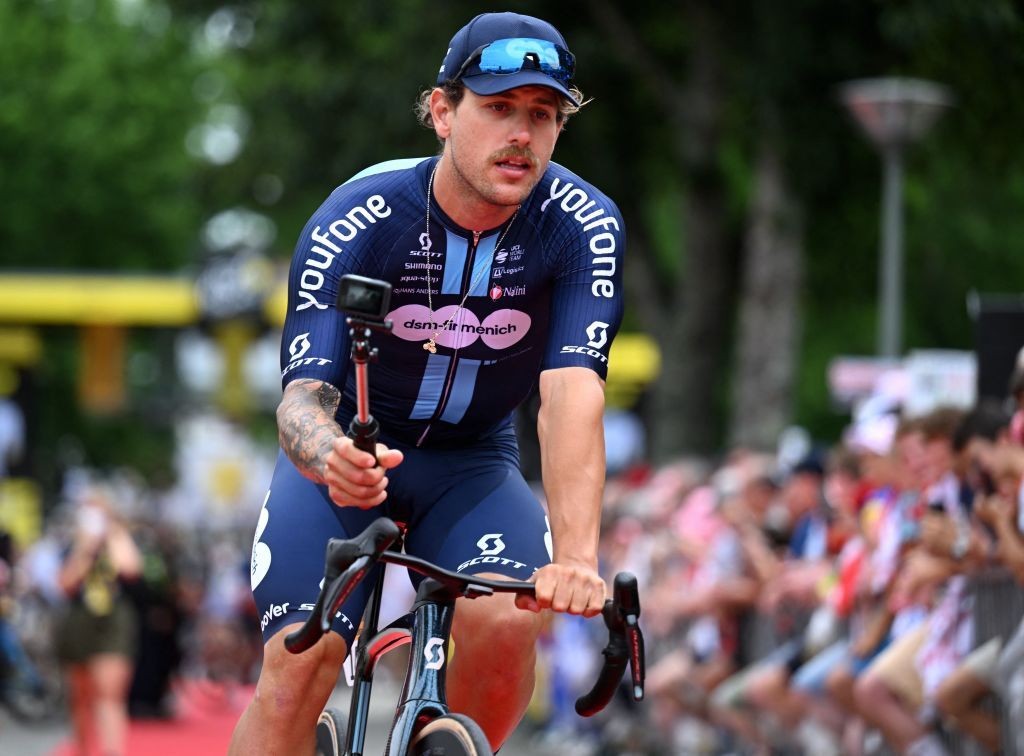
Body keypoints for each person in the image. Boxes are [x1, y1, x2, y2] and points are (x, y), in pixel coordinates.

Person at [229, 12, 624, 755]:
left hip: (473, 465)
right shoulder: (360, 215)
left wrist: (575, 556)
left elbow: (572, 390)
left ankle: (454, 742)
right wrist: (328, 457)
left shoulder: (582, 225)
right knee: (298, 668)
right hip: (348, 461)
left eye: (544, 115)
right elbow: (302, 396)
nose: (522, 134)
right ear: (442, 112)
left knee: (509, 620)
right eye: (499, 107)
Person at [55, 490, 142, 756]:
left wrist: (112, 533)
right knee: (80, 698)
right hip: (79, 620)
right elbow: (65, 584)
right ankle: (81, 749)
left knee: (110, 695)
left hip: (114, 621)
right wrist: (85, 548)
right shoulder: (73, 545)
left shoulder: (119, 539)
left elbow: (130, 568)